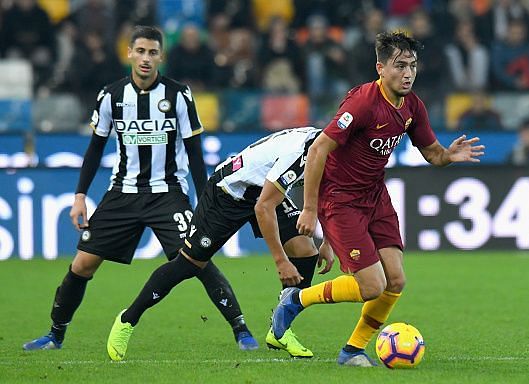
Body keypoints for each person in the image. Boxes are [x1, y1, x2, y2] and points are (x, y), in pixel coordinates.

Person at [23, 25, 258, 352]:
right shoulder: (111, 95)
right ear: (129, 53)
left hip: (168, 194)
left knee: (196, 259)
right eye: (141, 51)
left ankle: (241, 330)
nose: (146, 58)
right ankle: (55, 334)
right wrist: (79, 196)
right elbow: (94, 149)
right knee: (82, 265)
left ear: (161, 56)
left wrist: (206, 199)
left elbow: (194, 152)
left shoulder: (178, 95)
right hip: (123, 193)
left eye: (152, 52)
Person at [271, 31, 485, 367]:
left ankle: (352, 350)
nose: (408, 73)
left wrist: (448, 156)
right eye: (400, 66)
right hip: (340, 201)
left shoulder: (412, 105)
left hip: (375, 196)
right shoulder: (362, 104)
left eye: (412, 65)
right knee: (371, 286)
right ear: (380, 68)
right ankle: (297, 299)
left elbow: (432, 153)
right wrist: (310, 208)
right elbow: (318, 150)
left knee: (396, 280)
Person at [106, 126, 334, 361]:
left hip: (263, 190)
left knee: (306, 251)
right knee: (189, 264)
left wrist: (327, 241)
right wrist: (281, 261)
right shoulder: (302, 153)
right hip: (229, 192)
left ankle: (281, 330)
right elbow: (263, 208)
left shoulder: (333, 147)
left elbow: (329, 191)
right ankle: (127, 319)